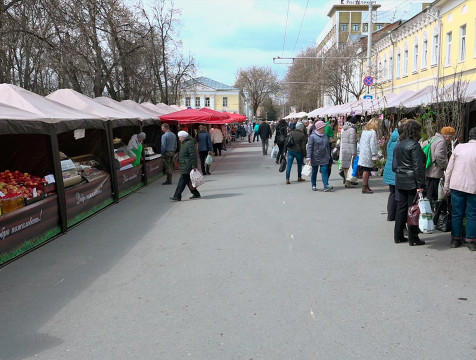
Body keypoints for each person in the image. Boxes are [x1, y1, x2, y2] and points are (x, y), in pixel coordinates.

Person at [393, 120, 426, 246]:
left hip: (401, 179)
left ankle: (398, 235)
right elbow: (418, 167)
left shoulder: (400, 144)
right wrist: (420, 185)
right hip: (411, 180)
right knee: (413, 209)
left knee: (401, 208)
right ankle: (413, 237)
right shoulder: (414, 145)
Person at [443, 127, 476, 250]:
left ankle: (455, 239)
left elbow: (450, 168)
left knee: (457, 213)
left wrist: (446, 185)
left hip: (456, 185)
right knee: (472, 213)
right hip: (473, 186)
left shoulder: (459, 147)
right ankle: (471, 240)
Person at [424, 126, 455, 206]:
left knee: (429, 189)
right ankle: (430, 210)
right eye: (451, 136)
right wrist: (446, 165)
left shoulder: (433, 138)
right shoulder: (441, 141)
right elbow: (439, 155)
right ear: (446, 135)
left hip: (429, 167)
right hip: (435, 169)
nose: (450, 139)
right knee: (432, 191)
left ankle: (429, 207)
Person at [383, 120, 406, 221]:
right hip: (396, 169)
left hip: (389, 168)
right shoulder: (401, 140)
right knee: (398, 194)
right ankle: (396, 215)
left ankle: (390, 215)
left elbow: (388, 152)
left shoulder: (392, 138)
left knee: (392, 193)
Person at [170, 131, 201, 201]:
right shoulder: (186, 143)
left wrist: (194, 166)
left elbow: (193, 155)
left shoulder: (189, 143)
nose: (179, 139)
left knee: (182, 180)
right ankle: (196, 193)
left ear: (183, 137)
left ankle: (177, 195)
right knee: (187, 181)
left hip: (187, 165)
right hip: (186, 164)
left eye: (180, 137)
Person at [306, 121, 332, 192]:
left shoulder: (325, 135)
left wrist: (329, 154)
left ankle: (326, 185)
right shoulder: (312, 136)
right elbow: (310, 147)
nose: (324, 128)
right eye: (323, 127)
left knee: (325, 171)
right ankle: (313, 185)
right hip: (315, 156)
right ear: (319, 128)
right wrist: (308, 157)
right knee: (314, 171)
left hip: (324, 156)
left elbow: (327, 146)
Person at [358, 118, 379, 194]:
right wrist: (375, 154)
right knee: (367, 170)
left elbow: (361, 142)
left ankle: (365, 185)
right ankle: (365, 186)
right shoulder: (373, 132)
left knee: (365, 169)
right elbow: (373, 144)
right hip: (368, 153)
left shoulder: (365, 131)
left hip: (363, 152)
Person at [340, 116, 358, 188]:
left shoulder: (344, 129)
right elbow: (352, 142)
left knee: (346, 167)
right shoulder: (352, 130)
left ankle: (348, 181)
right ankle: (348, 182)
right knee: (350, 167)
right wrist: (354, 152)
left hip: (344, 149)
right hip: (350, 150)